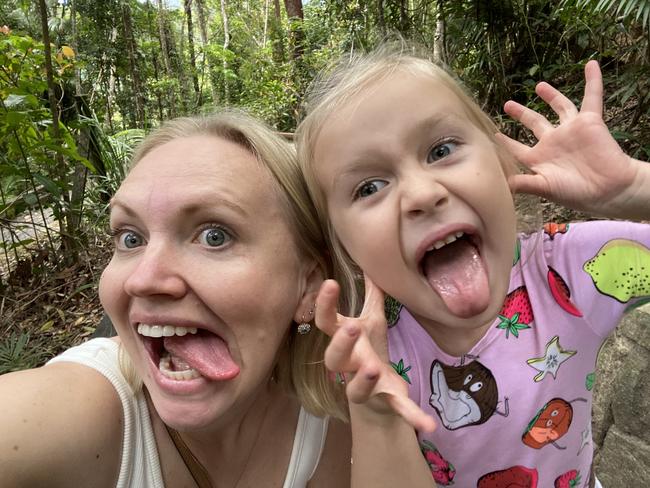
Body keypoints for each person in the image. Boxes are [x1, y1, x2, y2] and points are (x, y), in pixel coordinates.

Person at [0, 110, 433, 488]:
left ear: (308, 285)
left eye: (214, 235)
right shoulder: (76, 413)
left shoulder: (336, 416)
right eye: (130, 238)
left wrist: (380, 421)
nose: (143, 280)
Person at [296, 45, 650, 488]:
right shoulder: (365, 352)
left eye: (442, 149)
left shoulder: (566, 273)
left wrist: (636, 188)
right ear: (342, 245)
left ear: (503, 166)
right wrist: (375, 412)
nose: (423, 194)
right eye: (369, 186)